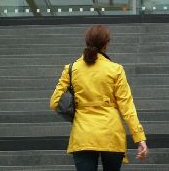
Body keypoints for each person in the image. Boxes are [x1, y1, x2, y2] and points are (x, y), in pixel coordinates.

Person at [50, 25, 148, 171]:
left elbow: (55, 102)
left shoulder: (71, 69)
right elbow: (127, 107)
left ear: (87, 42)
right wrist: (139, 138)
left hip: (83, 134)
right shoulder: (115, 69)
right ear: (106, 44)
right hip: (111, 134)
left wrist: (76, 109)